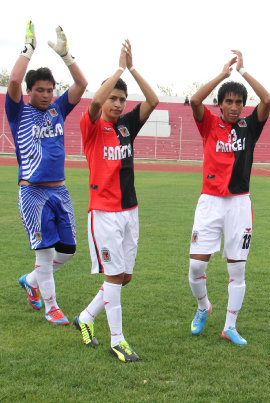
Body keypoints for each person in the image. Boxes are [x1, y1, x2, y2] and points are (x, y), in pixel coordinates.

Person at [73, 40, 159, 363]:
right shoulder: (92, 126)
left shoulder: (126, 126)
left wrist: (133, 69)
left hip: (130, 211)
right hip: (105, 214)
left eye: (122, 99)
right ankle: (118, 341)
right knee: (113, 276)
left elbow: (153, 100)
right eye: (114, 97)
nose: (119, 103)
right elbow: (94, 102)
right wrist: (119, 68)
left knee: (124, 277)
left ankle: (85, 316)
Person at [187, 50, 270, 345]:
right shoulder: (209, 124)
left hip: (239, 203)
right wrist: (224, 74)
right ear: (220, 104)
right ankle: (203, 307)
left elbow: (268, 101)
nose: (234, 107)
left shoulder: (250, 128)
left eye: (239, 102)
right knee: (196, 266)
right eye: (229, 101)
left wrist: (244, 72)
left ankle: (230, 326)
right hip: (210, 201)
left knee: (237, 268)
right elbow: (195, 101)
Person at [8, 21, 87, 325]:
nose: (45, 94)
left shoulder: (57, 109)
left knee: (67, 251)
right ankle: (51, 307)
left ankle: (31, 280)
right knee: (44, 252)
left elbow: (81, 85)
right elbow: (13, 82)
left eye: (49, 89)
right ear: (29, 91)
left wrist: (67, 56)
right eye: (39, 90)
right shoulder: (19, 112)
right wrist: (28, 50)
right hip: (33, 193)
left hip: (60, 191)